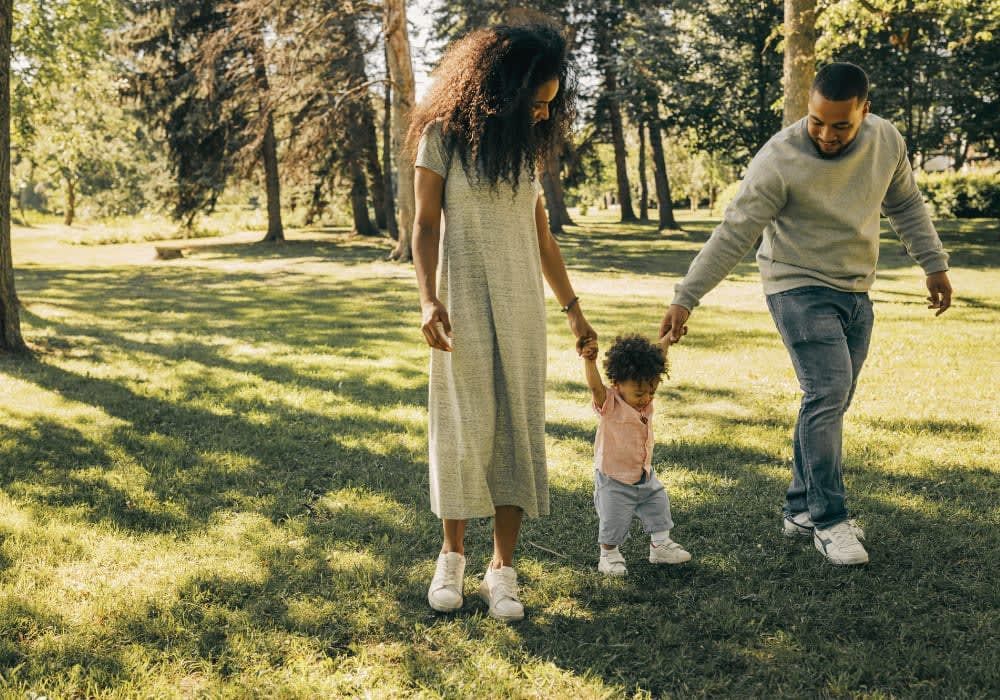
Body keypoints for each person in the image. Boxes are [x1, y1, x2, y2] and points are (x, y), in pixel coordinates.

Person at [659, 62, 952, 566]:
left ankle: (799, 508)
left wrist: (934, 265)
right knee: (827, 391)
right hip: (795, 284)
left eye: (841, 125)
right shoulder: (779, 158)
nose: (827, 134)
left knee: (831, 400)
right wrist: (687, 296)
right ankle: (829, 519)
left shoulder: (887, 142)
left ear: (865, 110)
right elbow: (735, 233)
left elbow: (905, 204)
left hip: (855, 286)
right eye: (817, 121)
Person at [408, 24, 595, 621]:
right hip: (460, 306)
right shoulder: (441, 139)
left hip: (521, 310)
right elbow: (424, 225)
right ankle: (452, 559)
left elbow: (541, 238)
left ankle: (502, 570)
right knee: (463, 426)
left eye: (550, 104)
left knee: (517, 426)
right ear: (501, 88)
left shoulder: (525, 152)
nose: (543, 114)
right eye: (536, 101)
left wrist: (574, 312)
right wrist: (428, 299)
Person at [581, 334, 691, 576]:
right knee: (613, 520)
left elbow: (657, 359)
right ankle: (608, 555)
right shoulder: (610, 402)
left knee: (658, 505)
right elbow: (595, 386)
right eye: (640, 393)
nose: (647, 397)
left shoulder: (645, 395)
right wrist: (589, 361)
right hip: (614, 478)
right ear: (618, 384)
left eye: (651, 391)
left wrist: (667, 340)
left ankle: (660, 546)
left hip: (643, 474)